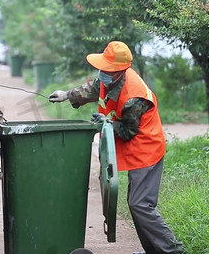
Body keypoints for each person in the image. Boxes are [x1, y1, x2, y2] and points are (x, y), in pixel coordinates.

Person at [49, 41, 184, 254]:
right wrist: (67, 95)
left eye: (106, 69)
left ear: (120, 71)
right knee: (136, 205)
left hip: (146, 149)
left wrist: (106, 122)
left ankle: (172, 250)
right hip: (135, 150)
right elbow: (93, 87)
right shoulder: (111, 79)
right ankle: (155, 251)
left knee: (141, 205)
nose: (102, 72)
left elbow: (128, 131)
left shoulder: (134, 96)